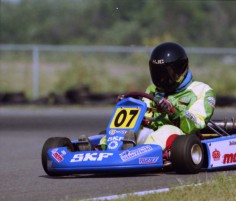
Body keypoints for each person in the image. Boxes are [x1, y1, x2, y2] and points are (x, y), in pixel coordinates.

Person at [81, 42, 216, 162]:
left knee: (165, 130)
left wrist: (173, 111)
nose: (162, 79)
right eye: (158, 73)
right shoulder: (152, 90)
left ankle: (134, 155)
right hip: (152, 132)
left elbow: (197, 123)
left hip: (181, 136)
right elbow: (146, 117)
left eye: (167, 74)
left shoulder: (202, 91)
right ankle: (99, 150)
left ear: (181, 70)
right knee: (128, 130)